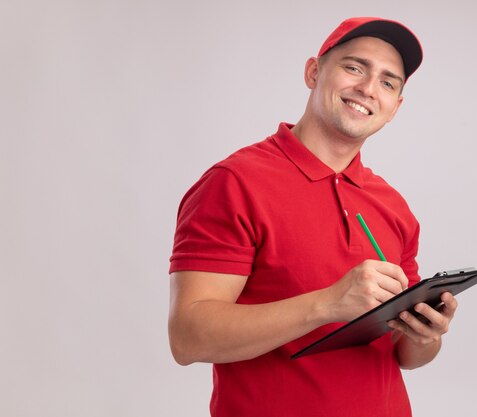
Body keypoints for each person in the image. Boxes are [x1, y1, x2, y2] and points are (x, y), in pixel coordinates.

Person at [168, 17, 458, 417]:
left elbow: (404, 355)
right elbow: (188, 338)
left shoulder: (393, 205)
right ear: (313, 72)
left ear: (395, 107)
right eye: (354, 67)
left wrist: (425, 335)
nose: (368, 89)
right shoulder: (234, 182)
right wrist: (328, 303)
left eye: (388, 83)